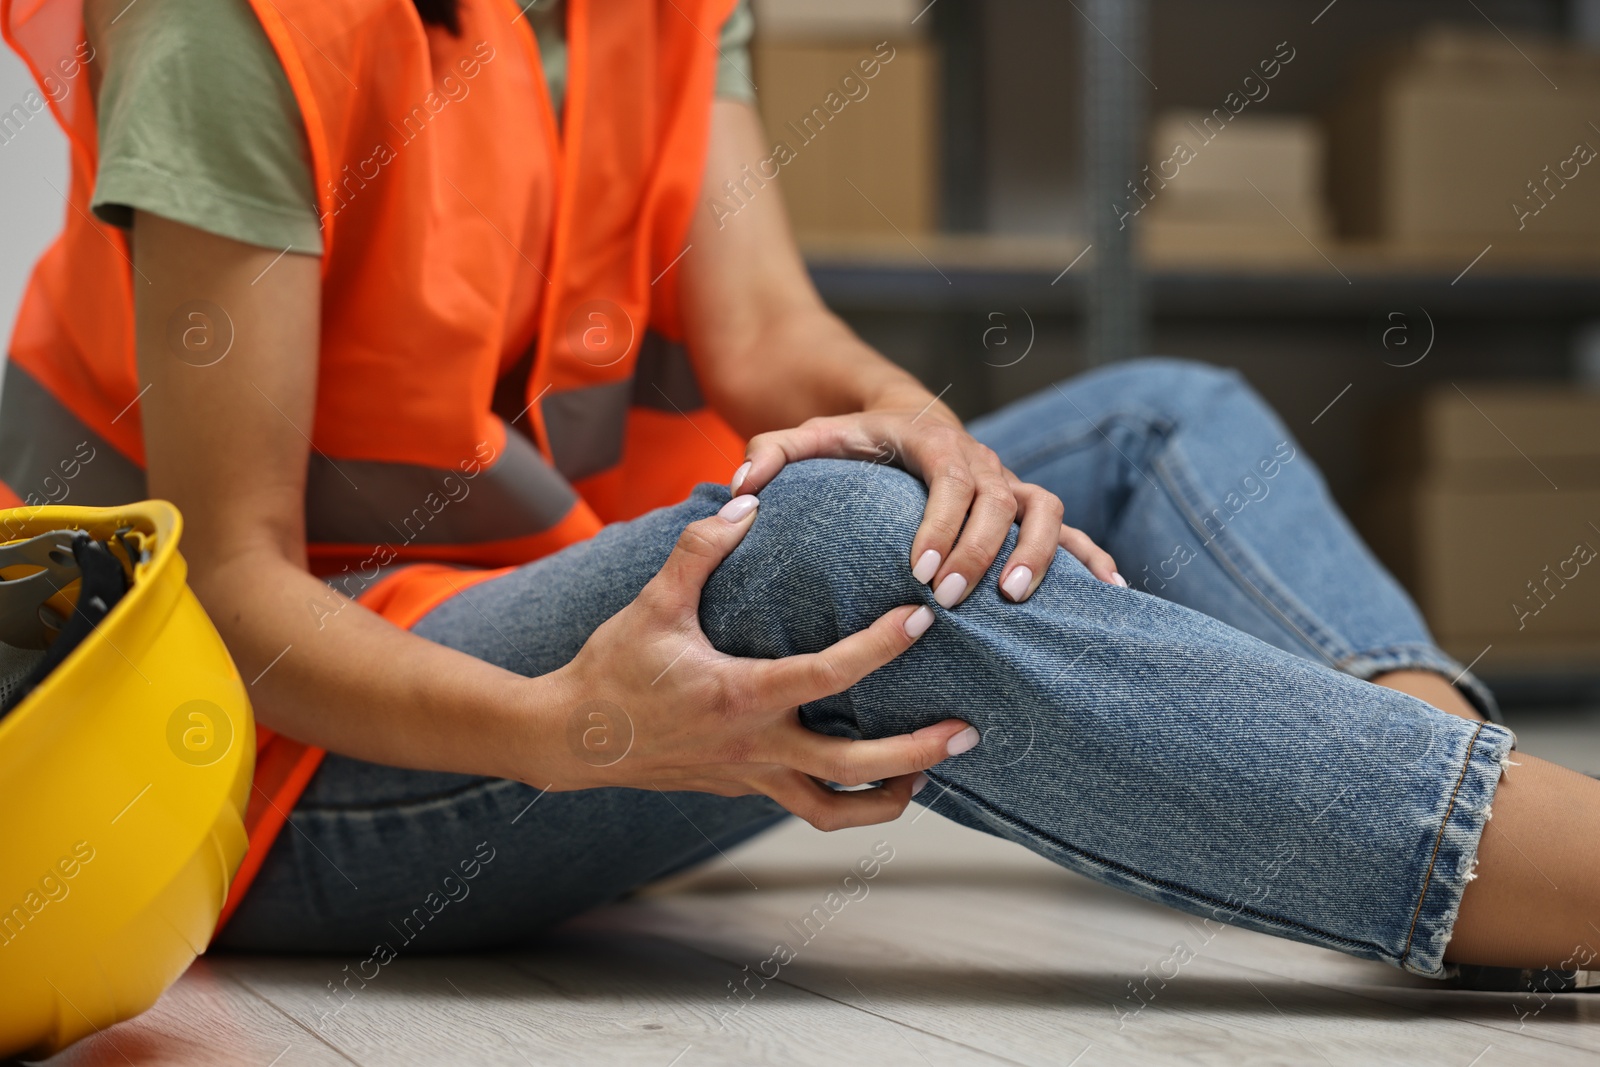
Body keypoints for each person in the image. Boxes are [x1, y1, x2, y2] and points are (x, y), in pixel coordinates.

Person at [3, 0, 1597, 983]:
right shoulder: (239, 21)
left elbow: (771, 337)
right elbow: (238, 591)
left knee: (1163, 417)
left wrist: (932, 434)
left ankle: (1469, 813)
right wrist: (578, 730)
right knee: (835, 546)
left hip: (534, 641)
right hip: (261, 765)